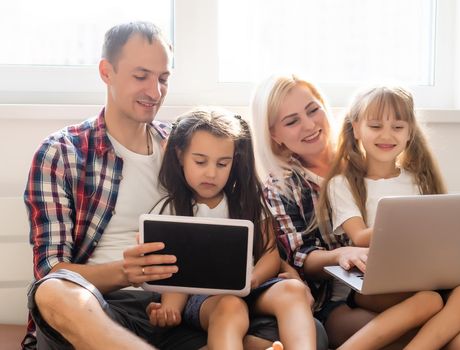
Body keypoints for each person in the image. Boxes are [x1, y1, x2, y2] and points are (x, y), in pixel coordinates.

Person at [22, 22, 284, 350]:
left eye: (163, 78)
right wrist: (126, 272)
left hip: (183, 309)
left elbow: (246, 204)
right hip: (103, 308)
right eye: (141, 75)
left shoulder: (185, 146)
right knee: (52, 292)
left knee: (302, 328)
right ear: (107, 71)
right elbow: (51, 270)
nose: (155, 92)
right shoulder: (63, 152)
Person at [318, 85, 460, 350]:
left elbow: (444, 242)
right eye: (376, 125)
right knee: (430, 301)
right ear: (356, 128)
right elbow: (359, 237)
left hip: (424, 280)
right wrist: (411, 224)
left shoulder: (417, 181)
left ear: (410, 132)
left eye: (397, 127)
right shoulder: (343, 183)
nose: (386, 135)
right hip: (367, 287)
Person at [148, 107, 317, 350]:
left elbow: (270, 255)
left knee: (294, 289)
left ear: (234, 162)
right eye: (200, 161)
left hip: (252, 286)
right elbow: (173, 273)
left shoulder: (247, 202)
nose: (211, 173)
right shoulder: (170, 209)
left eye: (222, 164)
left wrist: (252, 279)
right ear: (179, 155)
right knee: (229, 305)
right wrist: (170, 309)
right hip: (204, 299)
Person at [250, 74, 380, 349]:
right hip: (335, 301)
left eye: (313, 110)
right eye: (292, 121)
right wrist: (343, 253)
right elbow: (300, 256)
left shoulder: (366, 160)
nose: (309, 125)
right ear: (275, 135)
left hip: (389, 280)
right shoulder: (281, 186)